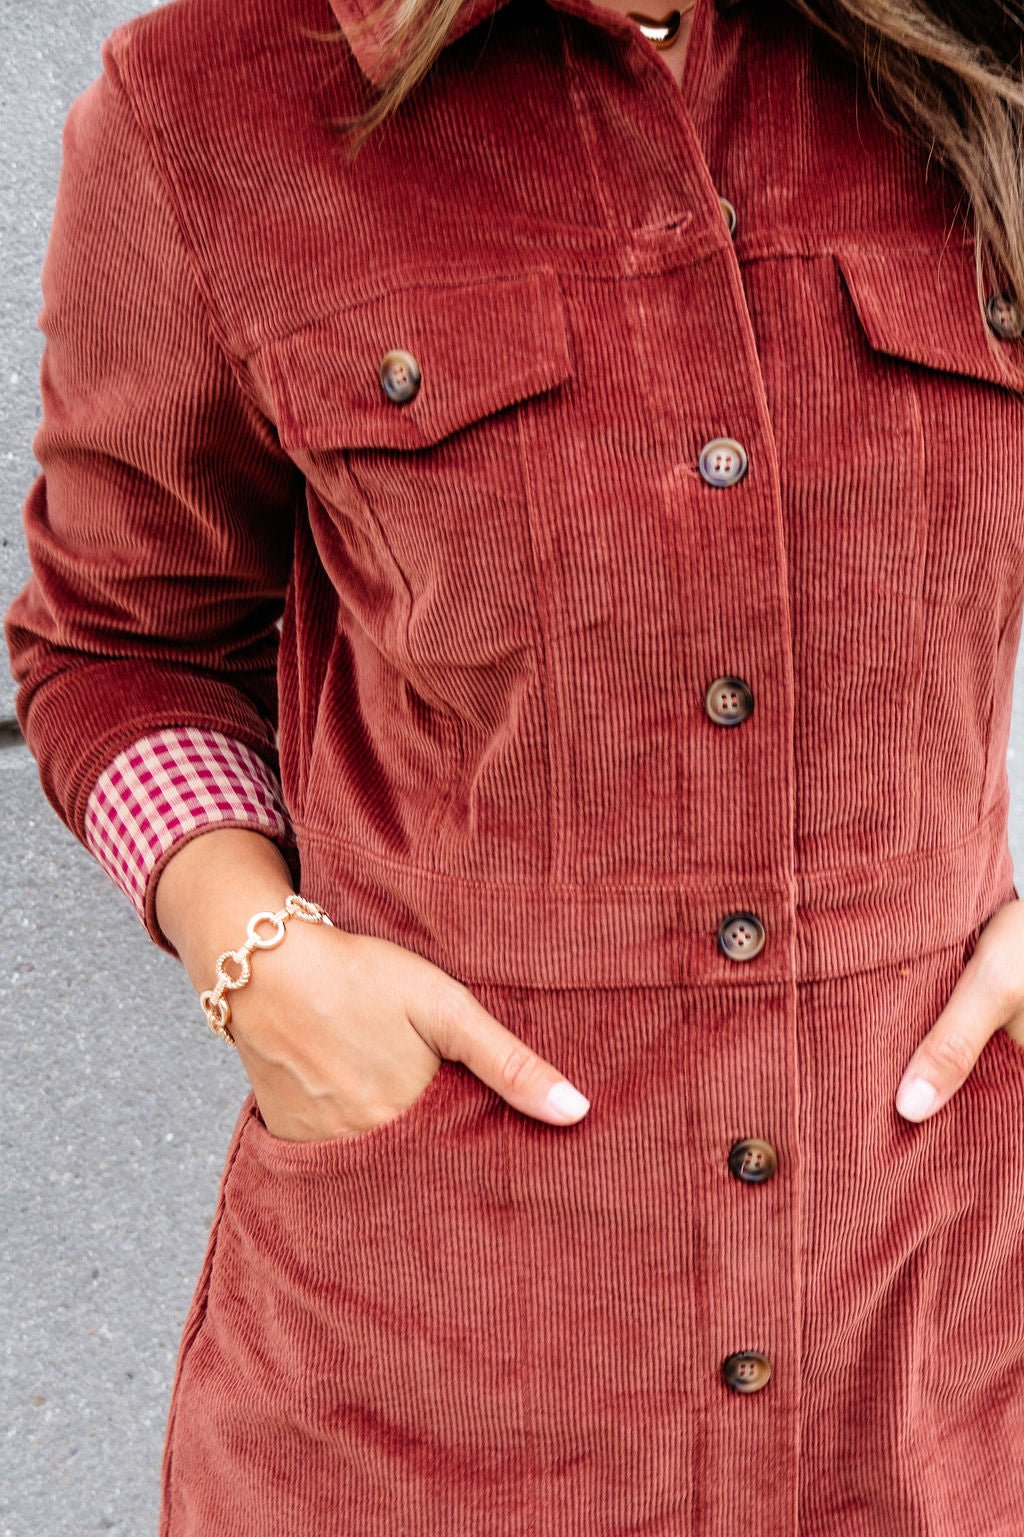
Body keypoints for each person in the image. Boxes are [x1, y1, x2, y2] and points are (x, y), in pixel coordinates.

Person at [6, 0, 1024, 1530]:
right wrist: (256, 959)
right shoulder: (203, 102)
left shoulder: (986, 47)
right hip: (435, 1370)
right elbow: (117, 645)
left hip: (940, 1355)